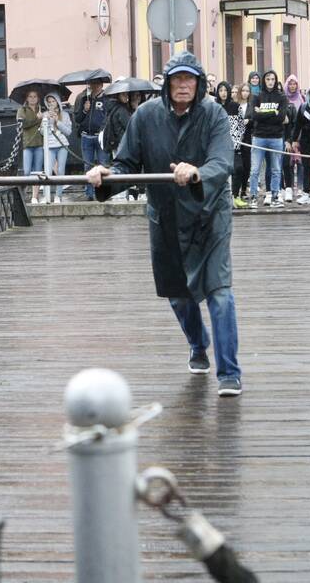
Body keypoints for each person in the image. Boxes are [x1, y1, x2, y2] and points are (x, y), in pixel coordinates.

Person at [86, 51, 242, 396]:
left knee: (219, 292)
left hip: (209, 214)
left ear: (199, 84)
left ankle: (229, 373)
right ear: (167, 84)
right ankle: (198, 345)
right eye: (177, 79)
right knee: (178, 296)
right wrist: (106, 175)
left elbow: (222, 161)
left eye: (189, 80)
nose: (183, 85)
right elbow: (127, 163)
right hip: (166, 215)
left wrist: (197, 172)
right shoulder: (145, 116)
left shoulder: (214, 114)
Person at [246, 70, 288, 209]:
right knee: (255, 170)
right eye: (268, 79)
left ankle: (275, 196)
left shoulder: (281, 97)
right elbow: (254, 116)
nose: (270, 81)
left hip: (276, 137)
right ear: (264, 80)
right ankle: (252, 197)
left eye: (272, 79)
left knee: (276, 169)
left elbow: (281, 117)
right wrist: (272, 113)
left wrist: (263, 113)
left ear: (276, 81)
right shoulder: (257, 96)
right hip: (259, 137)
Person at [74, 80, 109, 200]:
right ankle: (89, 194)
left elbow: (108, 117)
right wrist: (84, 110)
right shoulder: (84, 99)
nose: (94, 87)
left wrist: (103, 131)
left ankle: (103, 193)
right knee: (87, 166)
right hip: (86, 137)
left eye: (97, 84)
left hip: (100, 137)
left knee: (103, 165)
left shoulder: (106, 99)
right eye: (92, 84)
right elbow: (77, 119)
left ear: (101, 85)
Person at [216, 81, 246, 210]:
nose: (223, 93)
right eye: (221, 90)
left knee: (238, 168)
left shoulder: (235, 106)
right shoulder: (214, 107)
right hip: (217, 146)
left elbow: (241, 125)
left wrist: (238, 139)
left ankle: (235, 195)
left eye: (225, 90)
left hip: (234, 144)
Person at [43, 93, 72, 203]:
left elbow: (68, 132)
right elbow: (41, 132)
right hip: (50, 145)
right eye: (49, 102)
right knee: (48, 171)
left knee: (60, 170)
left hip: (62, 145)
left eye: (53, 101)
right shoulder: (45, 114)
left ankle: (58, 196)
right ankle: (47, 195)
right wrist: (46, 122)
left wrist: (57, 122)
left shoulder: (65, 115)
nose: (51, 104)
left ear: (57, 102)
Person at [282, 74, 307, 203]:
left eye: (294, 84)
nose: (292, 86)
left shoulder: (302, 98)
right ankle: (289, 187)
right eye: (290, 84)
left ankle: (301, 188)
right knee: (289, 162)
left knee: (301, 162)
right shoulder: (284, 99)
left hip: (300, 133)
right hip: (287, 133)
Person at [17, 90, 44, 204]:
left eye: (35, 96)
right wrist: (37, 119)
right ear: (27, 98)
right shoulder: (22, 110)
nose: (33, 99)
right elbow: (23, 124)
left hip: (39, 143)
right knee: (27, 171)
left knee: (37, 171)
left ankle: (35, 196)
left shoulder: (41, 109)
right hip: (27, 144)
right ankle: (24, 192)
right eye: (30, 96)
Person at [230, 84, 252, 204]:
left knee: (247, 166)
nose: (244, 93)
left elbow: (255, 118)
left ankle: (243, 190)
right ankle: (235, 193)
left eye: (247, 91)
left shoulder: (251, 105)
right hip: (235, 140)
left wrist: (250, 121)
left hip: (247, 139)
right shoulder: (234, 106)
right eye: (242, 90)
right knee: (238, 167)